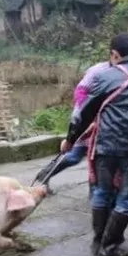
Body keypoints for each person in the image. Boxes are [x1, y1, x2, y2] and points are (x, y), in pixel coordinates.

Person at [60, 32, 128, 256]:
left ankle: (99, 240)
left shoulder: (105, 77)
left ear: (114, 54)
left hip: (106, 147)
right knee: (127, 197)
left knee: (102, 191)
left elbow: (83, 114)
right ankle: (110, 244)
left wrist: (70, 140)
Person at [37, 61, 112, 194]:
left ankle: (94, 190)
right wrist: (89, 115)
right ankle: (46, 173)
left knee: (93, 156)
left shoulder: (121, 71)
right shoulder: (99, 70)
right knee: (75, 156)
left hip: (101, 121)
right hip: (86, 119)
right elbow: (80, 92)